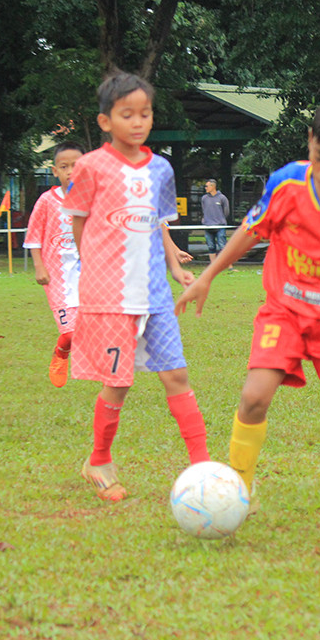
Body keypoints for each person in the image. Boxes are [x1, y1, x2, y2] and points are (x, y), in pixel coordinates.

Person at [175, 94, 320, 528]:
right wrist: (209, 275)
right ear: (310, 141)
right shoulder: (287, 184)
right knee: (252, 398)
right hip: (284, 312)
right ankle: (238, 495)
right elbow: (251, 231)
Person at [63, 71, 209, 502]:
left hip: (155, 293)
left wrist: (175, 266)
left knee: (177, 374)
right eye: (127, 114)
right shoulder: (90, 167)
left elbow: (155, 223)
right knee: (118, 383)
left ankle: (202, 467)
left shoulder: (161, 169)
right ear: (106, 121)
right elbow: (77, 223)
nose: (138, 121)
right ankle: (99, 461)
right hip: (109, 296)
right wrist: (94, 270)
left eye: (144, 113)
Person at [24, 141, 85, 388]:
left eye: (76, 165)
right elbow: (33, 236)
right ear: (55, 171)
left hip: (87, 274)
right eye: (64, 166)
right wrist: (39, 266)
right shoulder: (47, 201)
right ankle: (61, 354)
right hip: (57, 276)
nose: (71, 170)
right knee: (70, 333)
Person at [201, 179, 230, 265]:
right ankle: (213, 266)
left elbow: (226, 211)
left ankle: (228, 265)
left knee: (223, 246)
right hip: (208, 225)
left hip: (220, 225)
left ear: (213, 187)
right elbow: (204, 210)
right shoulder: (204, 198)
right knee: (211, 246)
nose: (205, 188)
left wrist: (220, 220)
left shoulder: (222, 198)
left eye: (207, 186)